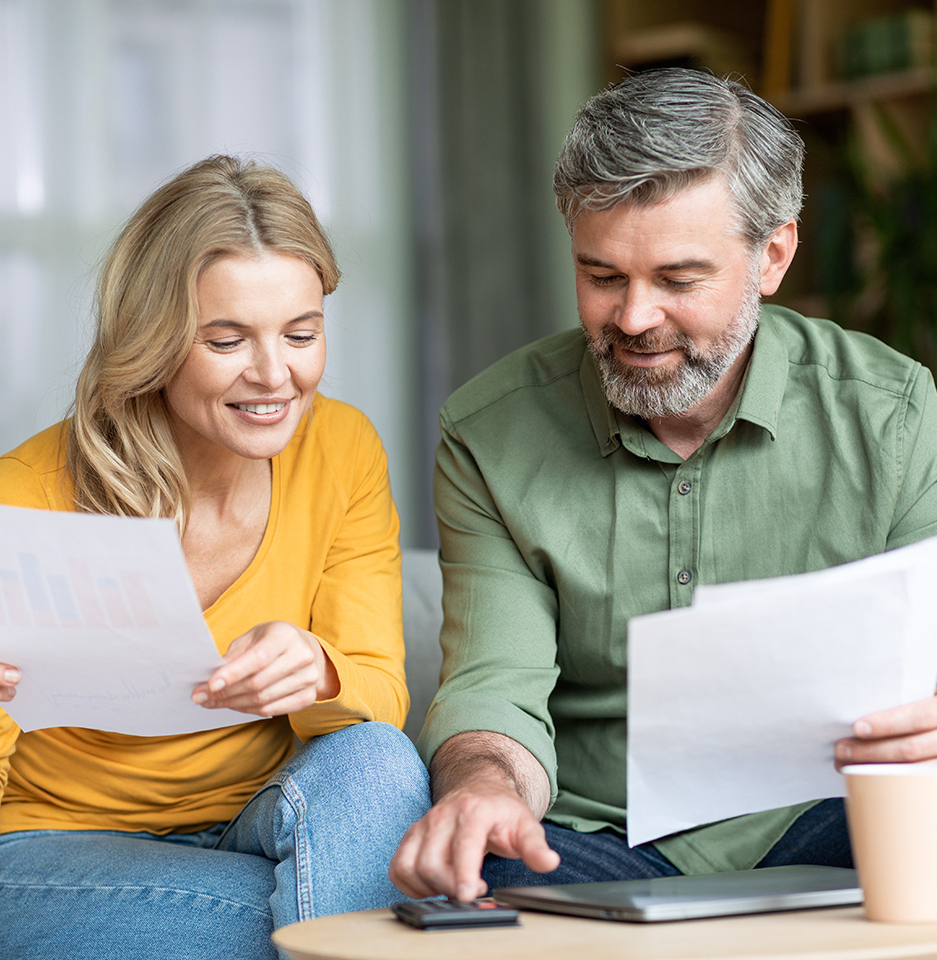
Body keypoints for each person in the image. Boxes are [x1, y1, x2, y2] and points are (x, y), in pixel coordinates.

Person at [389, 68, 937, 902]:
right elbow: (493, 691)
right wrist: (484, 790)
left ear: (773, 255)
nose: (635, 318)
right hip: (599, 833)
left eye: (679, 279)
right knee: (491, 874)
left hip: (832, 813)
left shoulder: (893, 417)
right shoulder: (489, 436)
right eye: (603, 276)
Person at [0, 155, 430, 960]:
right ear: (153, 343)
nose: (274, 375)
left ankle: (342, 921)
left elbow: (379, 697)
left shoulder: (344, 448)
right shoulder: (24, 491)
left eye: (301, 333)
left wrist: (321, 673)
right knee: (353, 921)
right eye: (226, 340)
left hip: (258, 825)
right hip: (50, 850)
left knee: (378, 758)